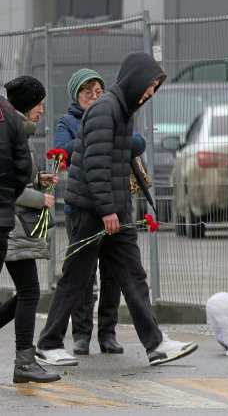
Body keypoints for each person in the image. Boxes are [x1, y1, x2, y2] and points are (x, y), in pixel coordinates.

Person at [36, 52, 197, 367]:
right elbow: (95, 166)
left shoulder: (123, 111)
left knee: (134, 276)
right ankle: (48, 342)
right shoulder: (105, 110)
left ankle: (156, 344)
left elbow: (118, 162)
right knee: (76, 277)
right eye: (149, 85)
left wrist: (118, 210)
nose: (151, 92)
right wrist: (108, 210)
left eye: (155, 87)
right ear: (135, 80)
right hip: (92, 211)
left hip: (114, 210)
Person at [54, 68, 146, 355]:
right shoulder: (67, 122)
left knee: (113, 274)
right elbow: (60, 153)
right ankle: (81, 334)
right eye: (87, 92)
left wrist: (106, 132)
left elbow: (138, 142)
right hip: (82, 208)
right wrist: (92, 131)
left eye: (98, 92)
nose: (94, 97)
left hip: (116, 206)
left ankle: (108, 332)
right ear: (75, 95)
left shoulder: (117, 114)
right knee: (82, 275)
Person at [0, 76, 60, 383]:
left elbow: (19, 178)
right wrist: (40, 198)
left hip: (15, 224)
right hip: (14, 226)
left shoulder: (18, 130)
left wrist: (39, 181)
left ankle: (25, 360)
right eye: (39, 104)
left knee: (26, 291)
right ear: (26, 105)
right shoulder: (13, 130)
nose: (41, 110)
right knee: (29, 291)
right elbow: (7, 185)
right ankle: (24, 362)